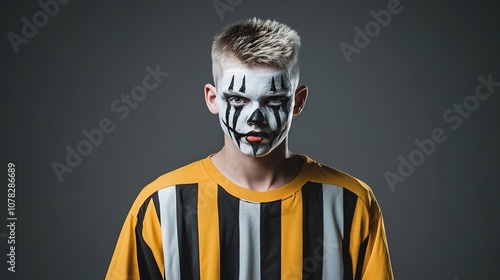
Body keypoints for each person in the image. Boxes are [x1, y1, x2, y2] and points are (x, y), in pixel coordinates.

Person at [105, 18, 394, 280]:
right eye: (239, 100)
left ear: (298, 101)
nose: (255, 119)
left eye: (273, 100)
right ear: (213, 99)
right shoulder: (161, 204)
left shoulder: (352, 203)